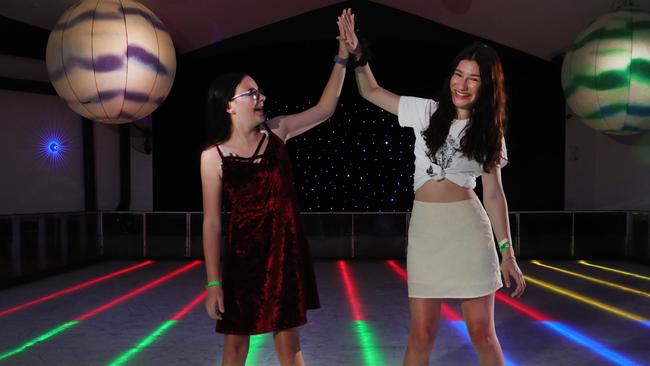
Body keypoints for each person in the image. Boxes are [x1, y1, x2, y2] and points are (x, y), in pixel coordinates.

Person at [338, 9, 526, 366]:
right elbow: (371, 92)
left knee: (483, 334)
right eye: (459, 74)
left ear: (487, 87)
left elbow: (494, 195)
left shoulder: (488, 134)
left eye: (474, 79)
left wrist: (508, 253)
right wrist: (357, 55)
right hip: (426, 231)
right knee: (421, 333)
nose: (462, 84)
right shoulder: (425, 112)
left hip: (469, 232)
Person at [200, 11, 350, 366]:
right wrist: (212, 283)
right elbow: (211, 223)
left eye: (260, 91)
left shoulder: (278, 132)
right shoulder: (213, 156)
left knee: (289, 347)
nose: (261, 97)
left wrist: (342, 56)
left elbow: (325, 109)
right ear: (229, 106)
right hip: (242, 262)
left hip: (285, 257)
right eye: (250, 92)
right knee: (235, 348)